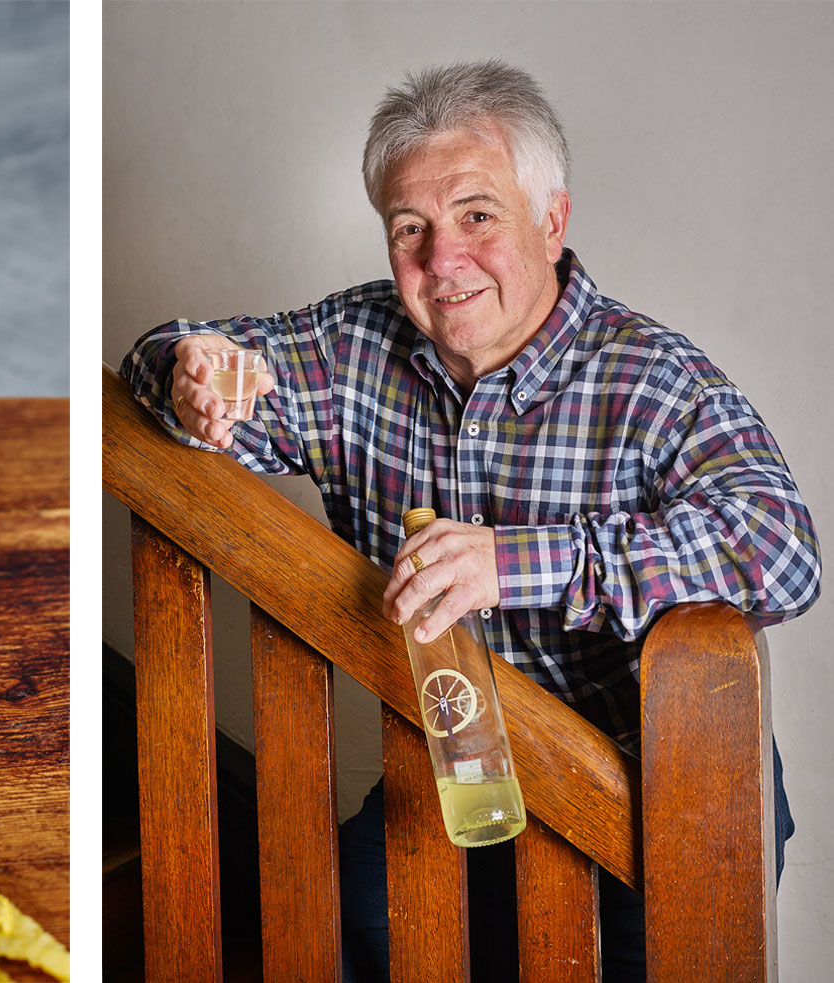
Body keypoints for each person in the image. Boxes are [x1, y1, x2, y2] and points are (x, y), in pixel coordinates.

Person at [119, 59, 819, 982]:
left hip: (661, 796)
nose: (441, 261)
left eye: (477, 216)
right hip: (456, 784)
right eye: (411, 228)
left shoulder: (654, 377)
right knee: (335, 925)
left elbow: (780, 547)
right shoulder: (356, 342)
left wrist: (514, 563)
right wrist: (188, 369)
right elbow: (181, 366)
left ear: (553, 220)